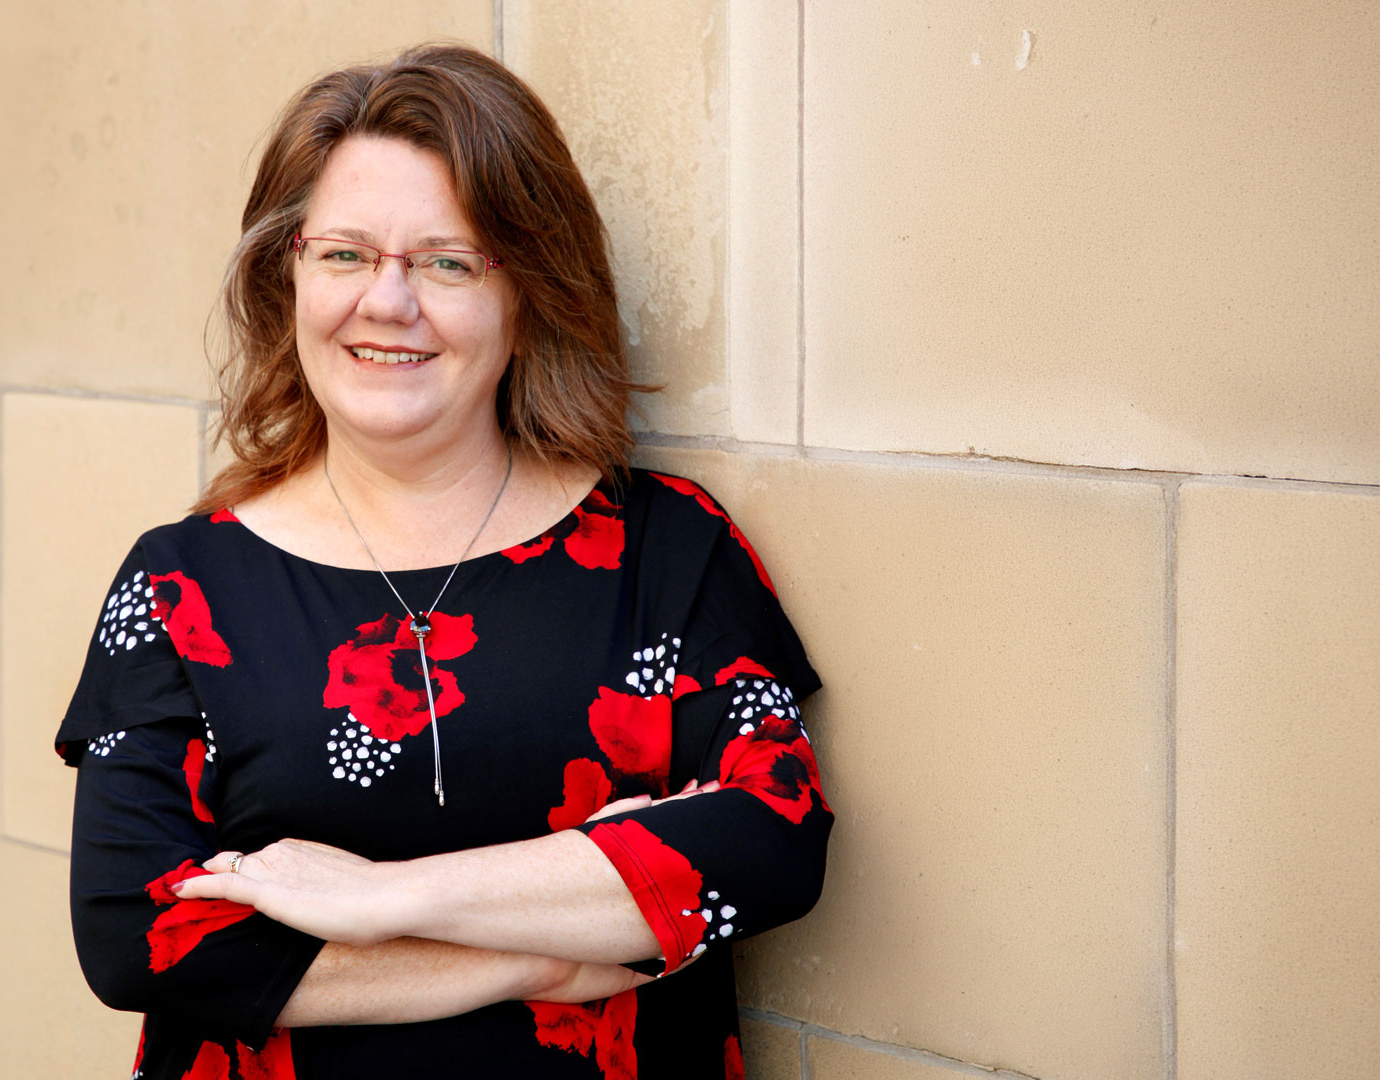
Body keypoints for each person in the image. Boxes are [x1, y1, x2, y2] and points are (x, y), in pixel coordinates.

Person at [56, 42, 831, 1080]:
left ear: (530, 295)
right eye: (344, 255)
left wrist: (386, 899)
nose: (388, 302)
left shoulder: (670, 550)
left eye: (447, 261)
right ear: (287, 273)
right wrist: (555, 950)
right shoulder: (182, 588)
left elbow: (773, 837)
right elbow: (135, 935)